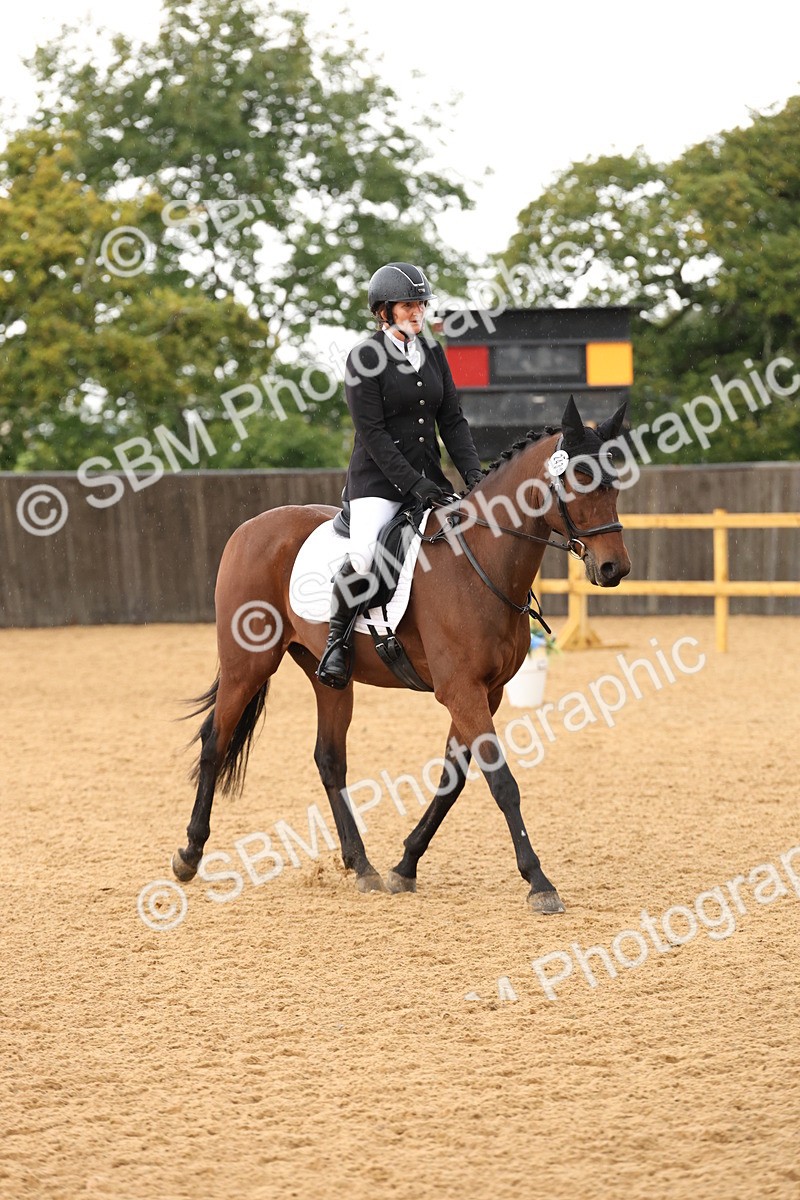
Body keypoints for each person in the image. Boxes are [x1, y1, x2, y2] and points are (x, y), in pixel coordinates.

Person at [316, 261, 484, 688]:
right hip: (378, 484)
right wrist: (415, 485)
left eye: (421, 304)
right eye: (408, 305)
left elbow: (453, 420)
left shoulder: (432, 352)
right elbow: (372, 434)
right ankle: (337, 644)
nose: (417, 313)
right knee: (365, 557)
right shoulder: (364, 358)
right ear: (384, 311)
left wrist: (474, 475)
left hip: (429, 482)